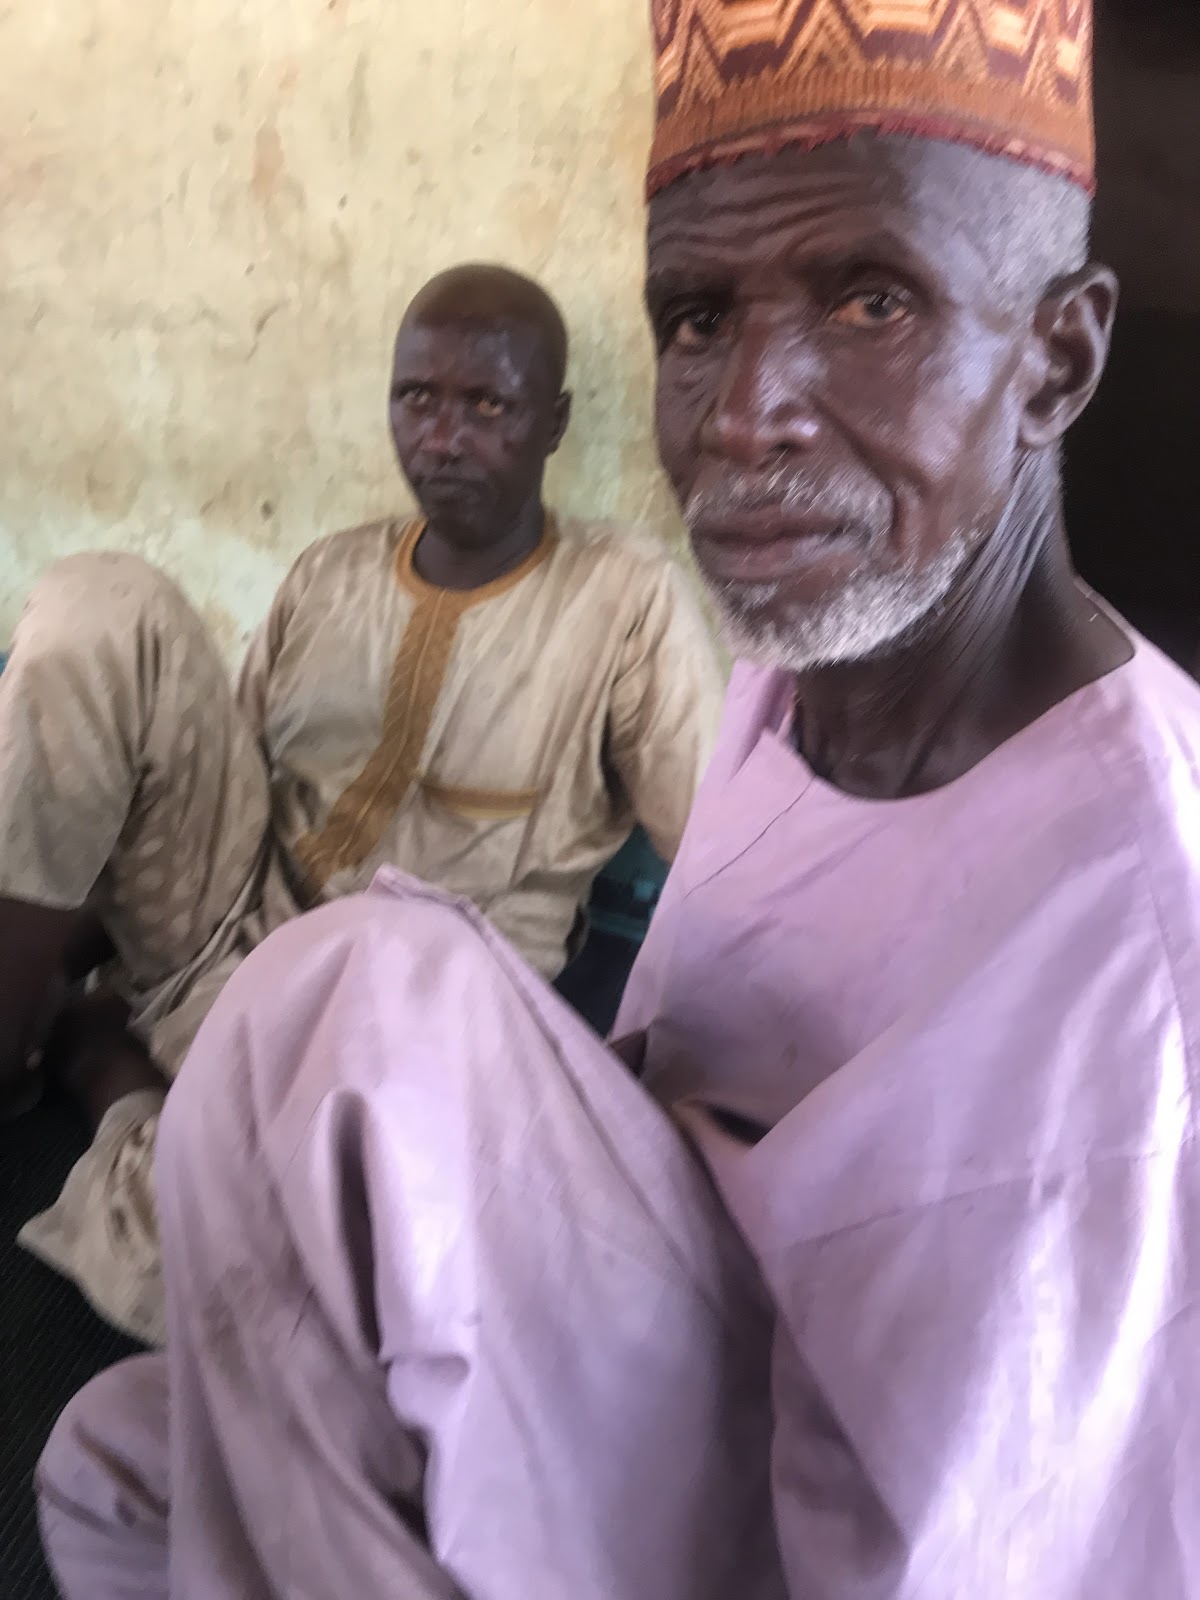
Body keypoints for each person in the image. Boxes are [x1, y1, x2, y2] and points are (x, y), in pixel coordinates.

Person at [37, 1, 1200, 1595]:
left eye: (871, 300)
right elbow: (658, 1088)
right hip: (660, 1339)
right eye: (699, 318)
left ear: (1056, 358)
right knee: (109, 1459)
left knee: (356, 1000)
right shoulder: (790, 695)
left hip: (780, 1519)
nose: (742, 413)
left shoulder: (1148, 951)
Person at [0, 262, 722, 1344]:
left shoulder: (626, 599)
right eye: (417, 398)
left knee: (310, 1274)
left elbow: (711, 866)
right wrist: (77, 941)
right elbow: (191, 795)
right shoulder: (327, 573)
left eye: (488, 406)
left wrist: (627, 1099)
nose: (442, 436)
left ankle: (116, 1083)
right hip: (232, 927)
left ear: (554, 422)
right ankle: (23, 1037)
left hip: (412, 1005)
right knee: (103, 602)